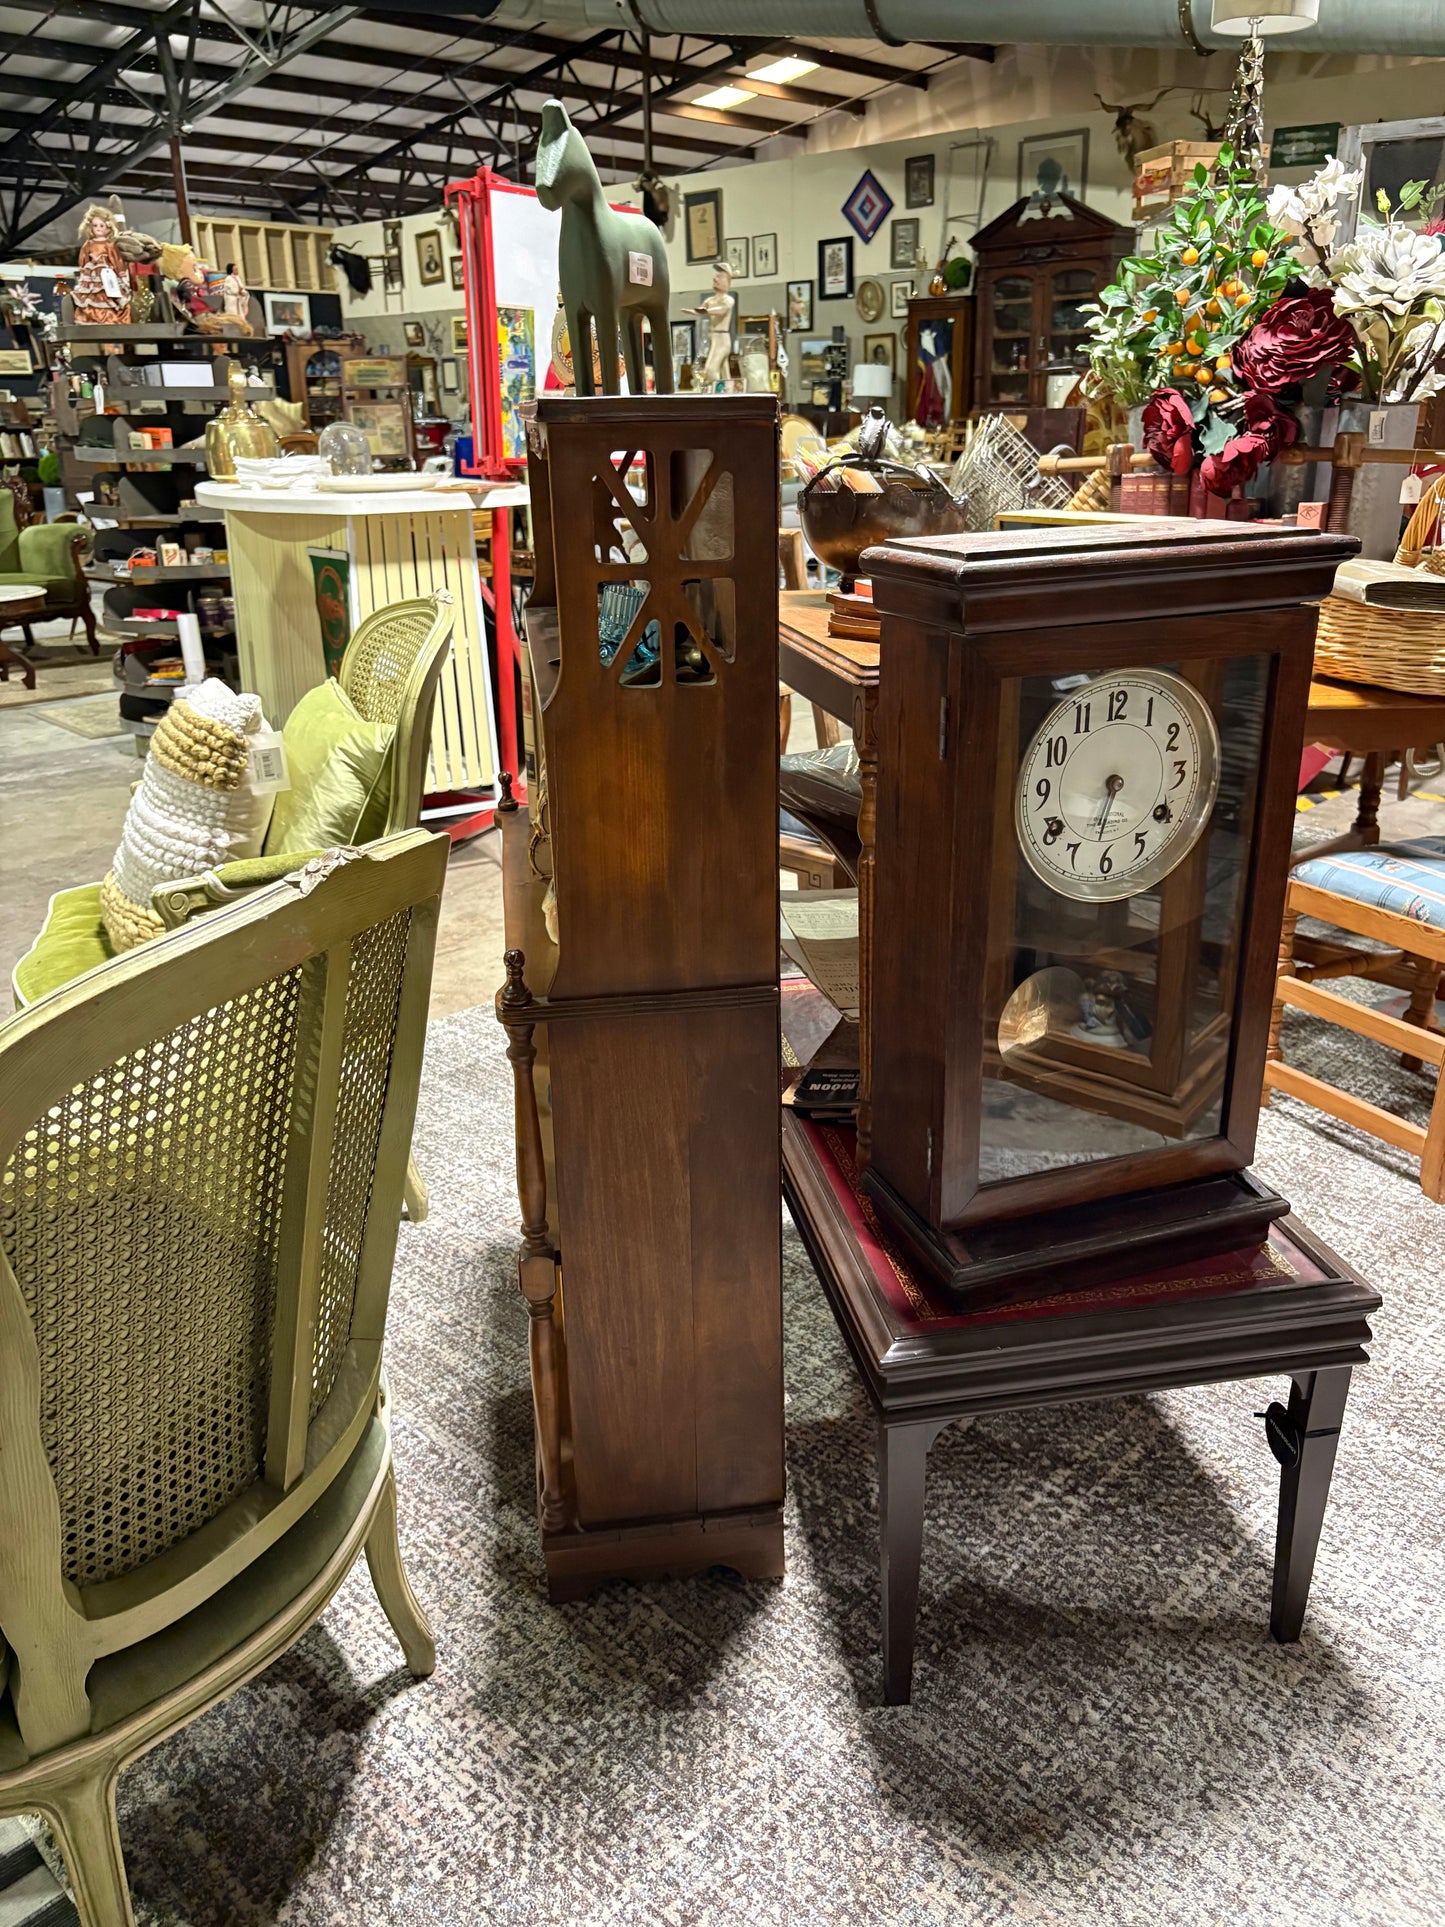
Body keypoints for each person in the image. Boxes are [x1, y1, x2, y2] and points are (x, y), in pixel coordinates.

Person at [73, 204, 130, 327]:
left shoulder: (110, 246)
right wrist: (83, 275)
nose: (98, 228)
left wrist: (122, 275)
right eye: (95, 225)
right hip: (92, 278)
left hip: (107, 278)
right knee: (92, 298)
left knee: (109, 296)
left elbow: (117, 261)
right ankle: (92, 318)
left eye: (101, 225)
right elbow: (83, 261)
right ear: (90, 227)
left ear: (108, 227)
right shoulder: (87, 245)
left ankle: (110, 317)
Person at [688, 261, 735, 393]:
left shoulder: (728, 300)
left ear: (728, 281)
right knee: (724, 371)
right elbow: (700, 310)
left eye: (720, 277)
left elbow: (722, 310)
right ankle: (729, 394)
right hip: (713, 338)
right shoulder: (710, 300)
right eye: (715, 276)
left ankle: (716, 394)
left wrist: (706, 311)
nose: (715, 279)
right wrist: (694, 311)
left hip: (723, 339)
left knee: (711, 370)